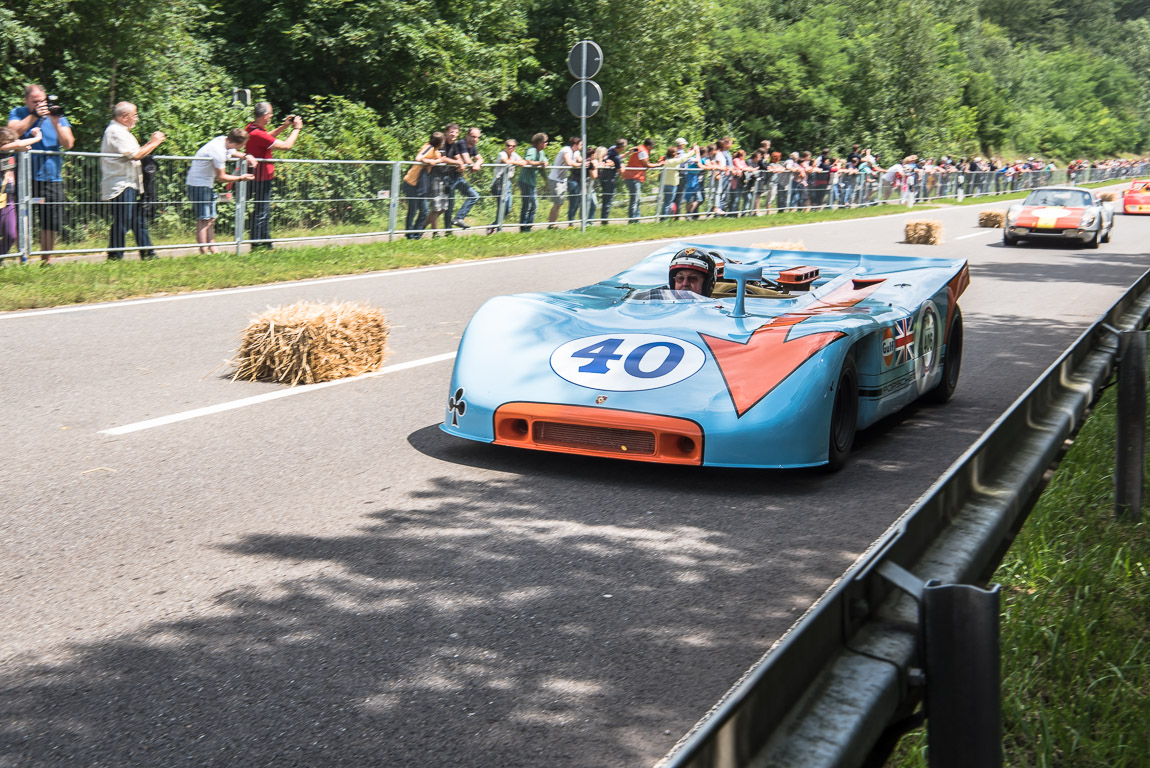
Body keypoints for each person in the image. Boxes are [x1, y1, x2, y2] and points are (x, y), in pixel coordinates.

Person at [7, 84, 75, 264]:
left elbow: (68, 143)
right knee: (23, 216)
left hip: (52, 177)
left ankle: (47, 260)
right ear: (26, 101)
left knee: (50, 220)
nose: (40, 104)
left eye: (42, 101)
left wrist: (55, 122)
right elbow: (12, 133)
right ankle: (23, 258)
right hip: (24, 176)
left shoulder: (57, 115)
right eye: (35, 101)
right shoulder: (18, 112)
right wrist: (34, 116)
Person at [100, 102, 165, 260]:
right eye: (134, 115)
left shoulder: (122, 131)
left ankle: (148, 254)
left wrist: (150, 144)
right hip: (121, 184)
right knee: (123, 221)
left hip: (130, 183)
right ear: (124, 116)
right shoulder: (116, 131)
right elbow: (135, 155)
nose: (136, 118)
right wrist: (154, 142)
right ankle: (115, 256)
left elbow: (136, 152)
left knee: (138, 220)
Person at [185, 128, 256, 253]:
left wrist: (247, 156)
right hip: (198, 185)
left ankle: (213, 249)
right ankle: (203, 250)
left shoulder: (223, 140)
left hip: (206, 184)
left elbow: (233, 152)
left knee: (211, 218)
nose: (243, 147)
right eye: (243, 145)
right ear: (237, 143)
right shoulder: (218, 151)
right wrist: (241, 178)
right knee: (203, 219)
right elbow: (221, 177)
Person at [244, 102, 302, 250]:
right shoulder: (256, 133)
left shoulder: (251, 128)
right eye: (270, 114)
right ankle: (257, 245)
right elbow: (286, 146)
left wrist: (285, 126)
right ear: (264, 116)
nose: (271, 117)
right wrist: (297, 129)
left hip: (257, 176)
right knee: (262, 211)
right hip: (261, 177)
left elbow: (267, 137)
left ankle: (266, 244)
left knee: (262, 210)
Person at [1, 126, 42, 259]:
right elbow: (19, 144)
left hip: (8, 199)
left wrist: (23, 147)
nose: (12, 143)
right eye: (9, 141)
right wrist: (37, 137)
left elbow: (20, 146)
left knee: (11, 234)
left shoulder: (10, 153)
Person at [401, 131, 447, 239]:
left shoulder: (435, 151)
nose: (444, 143)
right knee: (413, 210)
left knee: (424, 210)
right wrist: (428, 161)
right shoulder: (428, 147)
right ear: (439, 142)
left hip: (421, 185)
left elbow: (440, 159)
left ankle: (416, 234)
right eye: (443, 141)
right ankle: (410, 235)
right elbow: (418, 158)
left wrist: (435, 161)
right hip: (412, 183)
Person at [444, 125, 482, 229]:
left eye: (477, 137)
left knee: (474, 195)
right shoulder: (461, 143)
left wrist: (477, 164)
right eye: (473, 136)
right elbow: (467, 160)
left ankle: (458, 218)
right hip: (449, 177)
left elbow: (480, 159)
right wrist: (471, 164)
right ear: (467, 135)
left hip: (458, 177)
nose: (475, 139)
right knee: (449, 206)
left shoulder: (473, 147)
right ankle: (448, 231)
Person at [488, 138, 524, 233]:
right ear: (505, 146)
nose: (510, 148)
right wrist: (518, 163)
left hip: (507, 182)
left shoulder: (514, 155)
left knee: (507, 207)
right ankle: (499, 229)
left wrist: (520, 162)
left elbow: (523, 161)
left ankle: (493, 225)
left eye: (513, 146)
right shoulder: (502, 154)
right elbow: (506, 161)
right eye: (508, 145)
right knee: (501, 206)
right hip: (498, 183)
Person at [623, 138, 661, 223]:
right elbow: (646, 164)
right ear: (648, 146)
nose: (652, 149)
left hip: (632, 176)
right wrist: (657, 165)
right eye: (652, 147)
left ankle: (636, 219)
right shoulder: (643, 151)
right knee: (635, 199)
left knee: (636, 199)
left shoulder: (640, 148)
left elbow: (634, 151)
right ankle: (633, 220)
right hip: (634, 177)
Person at [546, 136, 581, 227]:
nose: (581, 146)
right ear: (575, 145)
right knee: (557, 203)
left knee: (559, 203)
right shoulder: (566, 150)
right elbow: (569, 162)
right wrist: (582, 164)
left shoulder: (576, 152)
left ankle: (553, 223)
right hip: (555, 179)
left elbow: (580, 160)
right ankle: (551, 224)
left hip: (562, 180)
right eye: (580, 144)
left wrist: (588, 162)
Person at [518, 133, 548, 232]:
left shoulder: (541, 153)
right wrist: (540, 163)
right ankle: (523, 227)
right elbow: (528, 161)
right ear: (539, 142)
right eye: (545, 142)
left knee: (534, 205)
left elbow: (544, 163)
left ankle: (529, 225)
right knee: (527, 205)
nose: (546, 144)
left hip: (532, 182)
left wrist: (546, 180)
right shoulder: (532, 150)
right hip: (525, 181)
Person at [599, 138, 625, 223]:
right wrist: (622, 165)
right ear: (623, 147)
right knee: (608, 200)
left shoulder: (611, 149)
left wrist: (628, 153)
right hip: (610, 180)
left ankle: (604, 219)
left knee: (605, 200)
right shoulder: (616, 158)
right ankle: (604, 221)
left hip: (603, 177)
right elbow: (621, 173)